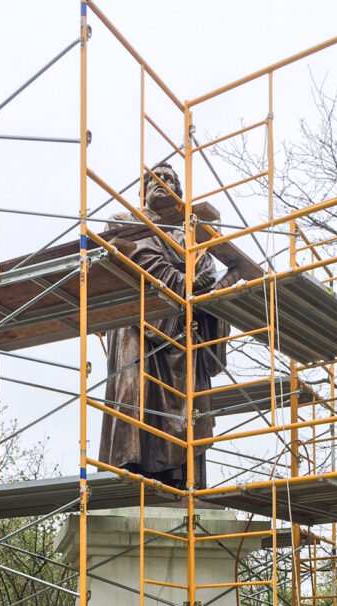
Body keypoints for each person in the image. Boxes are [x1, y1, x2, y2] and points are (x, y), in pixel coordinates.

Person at [98, 163, 240, 490]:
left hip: (183, 332)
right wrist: (186, 278)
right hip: (139, 322)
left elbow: (207, 274)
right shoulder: (126, 221)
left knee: (188, 403)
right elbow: (139, 256)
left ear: (178, 193)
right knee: (134, 392)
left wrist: (198, 282)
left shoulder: (190, 235)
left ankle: (178, 478)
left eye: (171, 179)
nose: (163, 182)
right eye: (155, 178)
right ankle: (131, 475)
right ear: (143, 189)